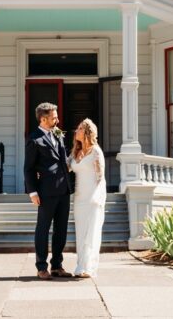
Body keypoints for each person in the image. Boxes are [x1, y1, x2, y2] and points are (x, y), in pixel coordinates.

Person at [23, 102, 74, 280]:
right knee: (43, 229)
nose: (58, 120)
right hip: (45, 191)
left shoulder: (58, 133)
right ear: (44, 119)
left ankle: (57, 266)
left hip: (64, 189)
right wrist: (33, 192)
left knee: (61, 229)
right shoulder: (34, 139)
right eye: (54, 117)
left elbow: (64, 157)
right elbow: (28, 168)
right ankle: (41, 267)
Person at [69, 118, 106, 278]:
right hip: (79, 198)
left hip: (92, 198)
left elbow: (100, 177)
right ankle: (81, 265)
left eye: (79, 128)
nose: (76, 131)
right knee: (81, 232)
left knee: (91, 232)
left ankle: (89, 267)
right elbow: (66, 167)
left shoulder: (96, 152)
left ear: (87, 132)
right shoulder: (76, 152)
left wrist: (97, 198)